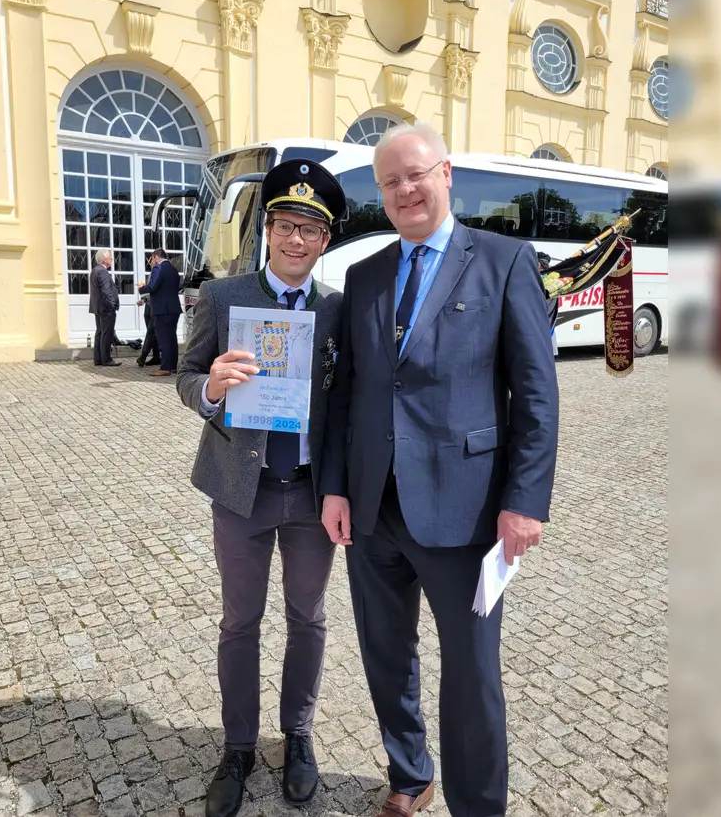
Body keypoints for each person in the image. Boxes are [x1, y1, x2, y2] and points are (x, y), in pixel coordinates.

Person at [319, 122, 559, 817]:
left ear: (447, 173)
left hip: (467, 510)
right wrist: (335, 485)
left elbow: (537, 394)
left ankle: (478, 805)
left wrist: (525, 501)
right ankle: (410, 773)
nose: (405, 190)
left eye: (416, 174)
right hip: (372, 512)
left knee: (473, 673)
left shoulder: (506, 262)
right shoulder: (363, 276)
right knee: (386, 657)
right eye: (390, 182)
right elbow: (347, 394)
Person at [175, 159, 346, 817]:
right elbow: (187, 377)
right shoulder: (223, 299)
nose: (295, 239)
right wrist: (211, 389)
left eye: (309, 229)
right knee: (240, 622)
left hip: (310, 494)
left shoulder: (337, 310)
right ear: (266, 229)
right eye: (284, 225)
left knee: (308, 620)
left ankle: (297, 737)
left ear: (324, 239)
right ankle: (239, 745)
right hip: (239, 491)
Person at [142, 248, 181, 377]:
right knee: (172, 338)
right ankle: (173, 366)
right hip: (174, 308)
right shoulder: (173, 270)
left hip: (161, 310)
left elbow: (152, 287)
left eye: (152, 258)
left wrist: (141, 288)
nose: (152, 261)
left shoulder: (158, 269)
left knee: (163, 339)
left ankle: (165, 368)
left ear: (156, 256)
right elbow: (178, 287)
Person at [87, 248, 120, 367]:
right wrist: (112, 304)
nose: (112, 259)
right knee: (107, 333)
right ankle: (106, 359)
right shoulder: (102, 272)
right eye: (110, 257)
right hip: (106, 308)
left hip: (98, 307)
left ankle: (98, 358)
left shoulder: (95, 270)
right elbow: (106, 291)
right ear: (105, 260)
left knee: (100, 332)